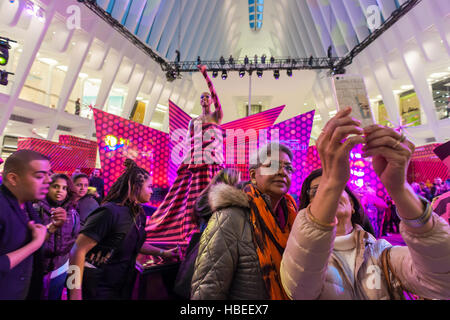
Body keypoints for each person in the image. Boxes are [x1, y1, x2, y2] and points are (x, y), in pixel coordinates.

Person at [280, 107, 450, 300]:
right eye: (317, 192)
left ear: (353, 205)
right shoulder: (297, 256)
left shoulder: (383, 253)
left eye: (339, 190)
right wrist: (332, 182)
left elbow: (441, 282)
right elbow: (300, 290)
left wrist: (400, 189)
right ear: (308, 208)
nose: (332, 194)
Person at [191, 143, 298, 300]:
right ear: (253, 176)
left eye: (288, 168)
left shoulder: (293, 219)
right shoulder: (229, 218)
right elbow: (208, 290)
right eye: (272, 165)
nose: (282, 172)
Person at [68, 159, 177, 300]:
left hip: (121, 285)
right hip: (98, 287)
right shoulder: (109, 212)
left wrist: (163, 253)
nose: (152, 191)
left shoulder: (138, 214)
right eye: (149, 186)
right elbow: (76, 251)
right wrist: (75, 294)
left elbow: (134, 243)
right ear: (136, 186)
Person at [145, 64, 224, 253]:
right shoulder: (193, 121)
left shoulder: (216, 116)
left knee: (214, 197)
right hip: (196, 165)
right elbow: (190, 142)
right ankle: (192, 231)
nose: (205, 99)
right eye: (202, 97)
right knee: (194, 198)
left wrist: (206, 75)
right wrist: (187, 161)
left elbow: (216, 98)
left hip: (212, 164)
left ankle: (215, 231)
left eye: (207, 97)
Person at [0, 150, 64, 299]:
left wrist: (52, 227)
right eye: (40, 176)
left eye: (49, 174)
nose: (49, 180)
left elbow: (27, 242)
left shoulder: (27, 205)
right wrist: (33, 246)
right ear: (13, 178)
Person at [173, 169, 241, 299]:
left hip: (198, 246)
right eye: (237, 182)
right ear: (230, 183)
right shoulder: (225, 203)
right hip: (216, 248)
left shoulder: (204, 197)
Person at [33, 174, 80, 300]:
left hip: (61, 266)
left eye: (64, 188)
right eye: (56, 186)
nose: (60, 190)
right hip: (37, 266)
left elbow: (74, 238)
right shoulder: (36, 208)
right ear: (47, 188)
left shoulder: (72, 212)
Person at [298, 168, 375, 237]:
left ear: (351, 204)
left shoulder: (380, 249)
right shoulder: (301, 251)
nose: (328, 195)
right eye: (316, 191)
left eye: (335, 188)